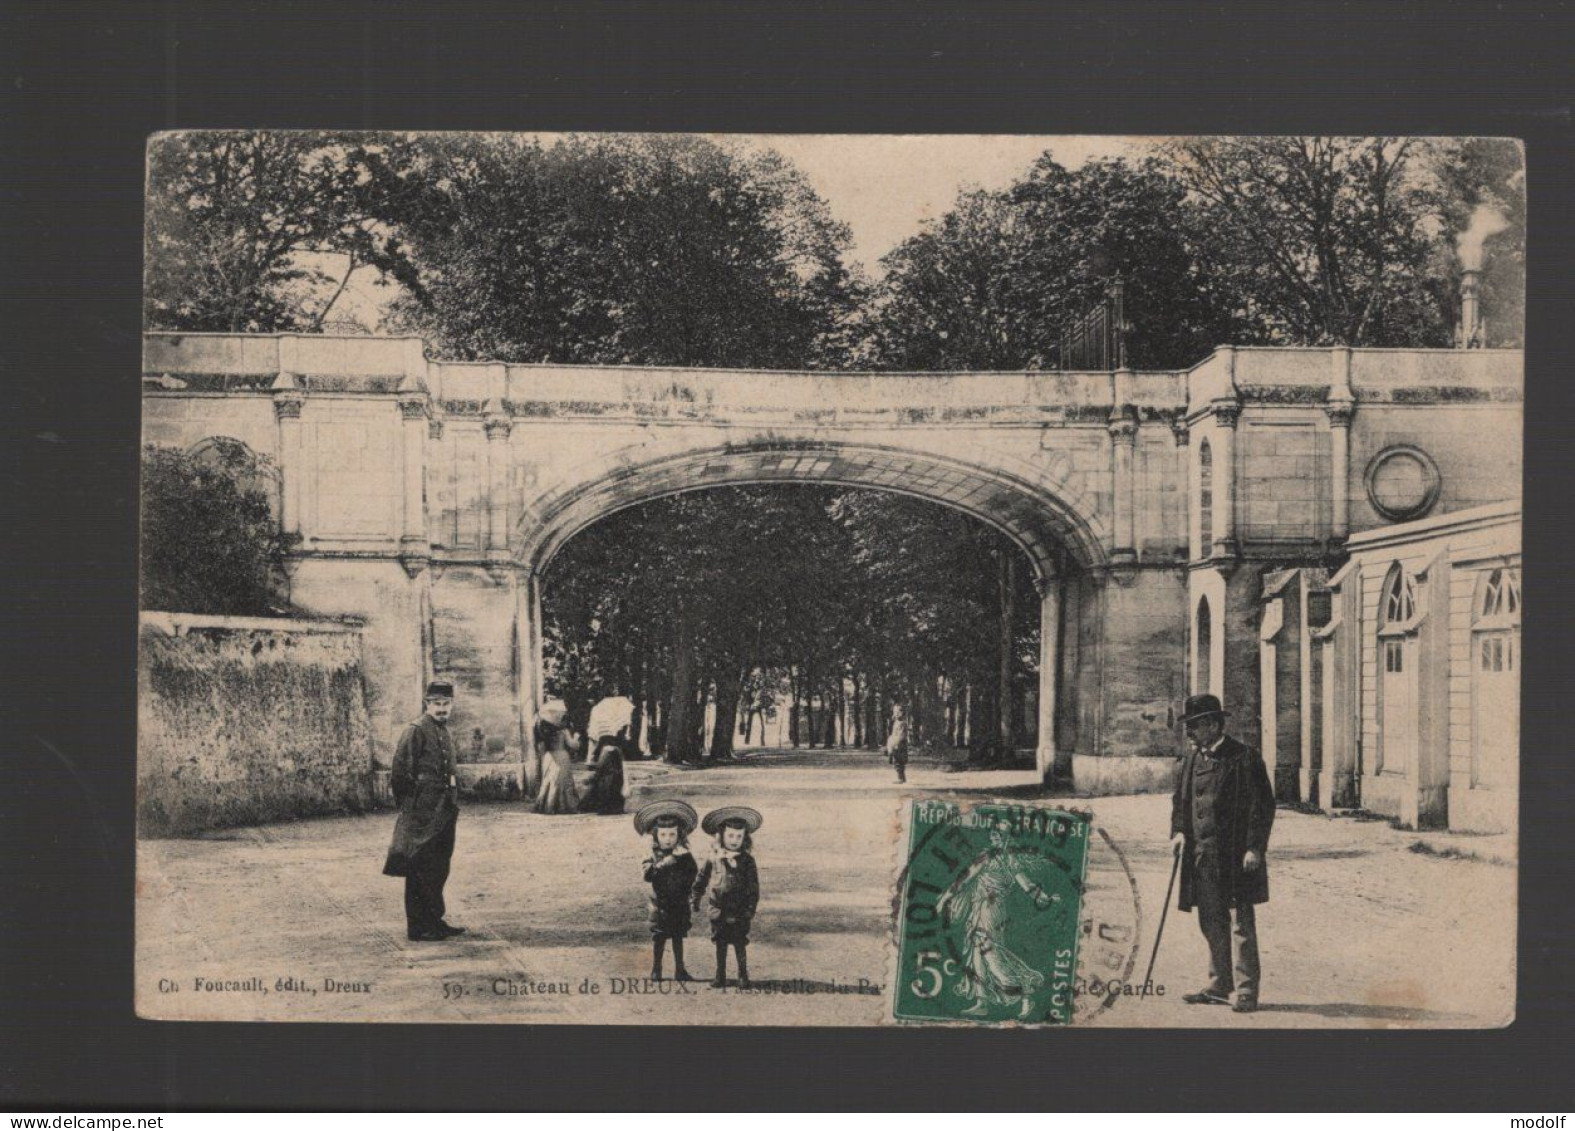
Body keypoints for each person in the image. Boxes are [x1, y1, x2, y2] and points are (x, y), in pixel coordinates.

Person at [1169, 694, 1276, 1014]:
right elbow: (1181, 801)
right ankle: (1219, 983)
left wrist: (1254, 847)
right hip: (1201, 854)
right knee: (1210, 919)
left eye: (1195, 726)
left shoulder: (1244, 758)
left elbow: (1263, 806)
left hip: (1235, 855)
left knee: (1240, 923)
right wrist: (1178, 832)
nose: (1189, 732)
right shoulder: (1190, 760)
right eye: (1187, 726)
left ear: (1214, 725)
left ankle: (1246, 990)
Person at [383, 680, 467, 942]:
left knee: (439, 868)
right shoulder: (416, 730)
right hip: (422, 813)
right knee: (419, 867)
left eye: (446, 704)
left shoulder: (443, 730)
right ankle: (418, 927)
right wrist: (412, 806)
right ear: (427, 704)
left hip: (444, 811)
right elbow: (399, 773)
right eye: (437, 704)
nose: (442, 709)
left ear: (451, 705)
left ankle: (435, 920)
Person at [693, 806, 762, 989]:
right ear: (721, 836)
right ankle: (720, 974)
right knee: (720, 942)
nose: (734, 840)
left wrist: (749, 910)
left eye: (739, 837)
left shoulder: (747, 861)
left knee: (739, 942)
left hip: (739, 910)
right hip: (718, 909)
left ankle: (742, 974)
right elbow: (702, 877)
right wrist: (696, 896)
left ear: (744, 838)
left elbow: (753, 888)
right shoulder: (714, 857)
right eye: (730, 836)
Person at [635, 799, 700, 982]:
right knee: (659, 937)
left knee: (678, 936)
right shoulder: (652, 854)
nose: (668, 839)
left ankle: (680, 969)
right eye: (663, 835)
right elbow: (648, 875)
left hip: (679, 903)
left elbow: (693, 873)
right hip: (659, 904)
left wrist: (688, 891)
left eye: (672, 835)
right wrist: (668, 861)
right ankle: (656, 969)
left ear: (679, 836)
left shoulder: (684, 855)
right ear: (656, 835)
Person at [532, 699, 582, 815]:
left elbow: (541, 747)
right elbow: (573, 746)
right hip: (561, 757)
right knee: (563, 782)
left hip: (549, 757)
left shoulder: (545, 731)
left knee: (550, 781)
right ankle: (563, 806)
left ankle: (548, 805)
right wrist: (576, 738)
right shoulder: (563, 732)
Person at [885, 703, 910, 783]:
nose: (896, 714)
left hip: (900, 745)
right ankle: (901, 777)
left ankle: (901, 778)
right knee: (896, 761)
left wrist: (896, 744)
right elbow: (893, 733)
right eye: (894, 712)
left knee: (899, 762)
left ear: (902, 713)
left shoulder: (902, 723)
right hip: (895, 744)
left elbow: (901, 735)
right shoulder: (896, 722)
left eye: (898, 712)